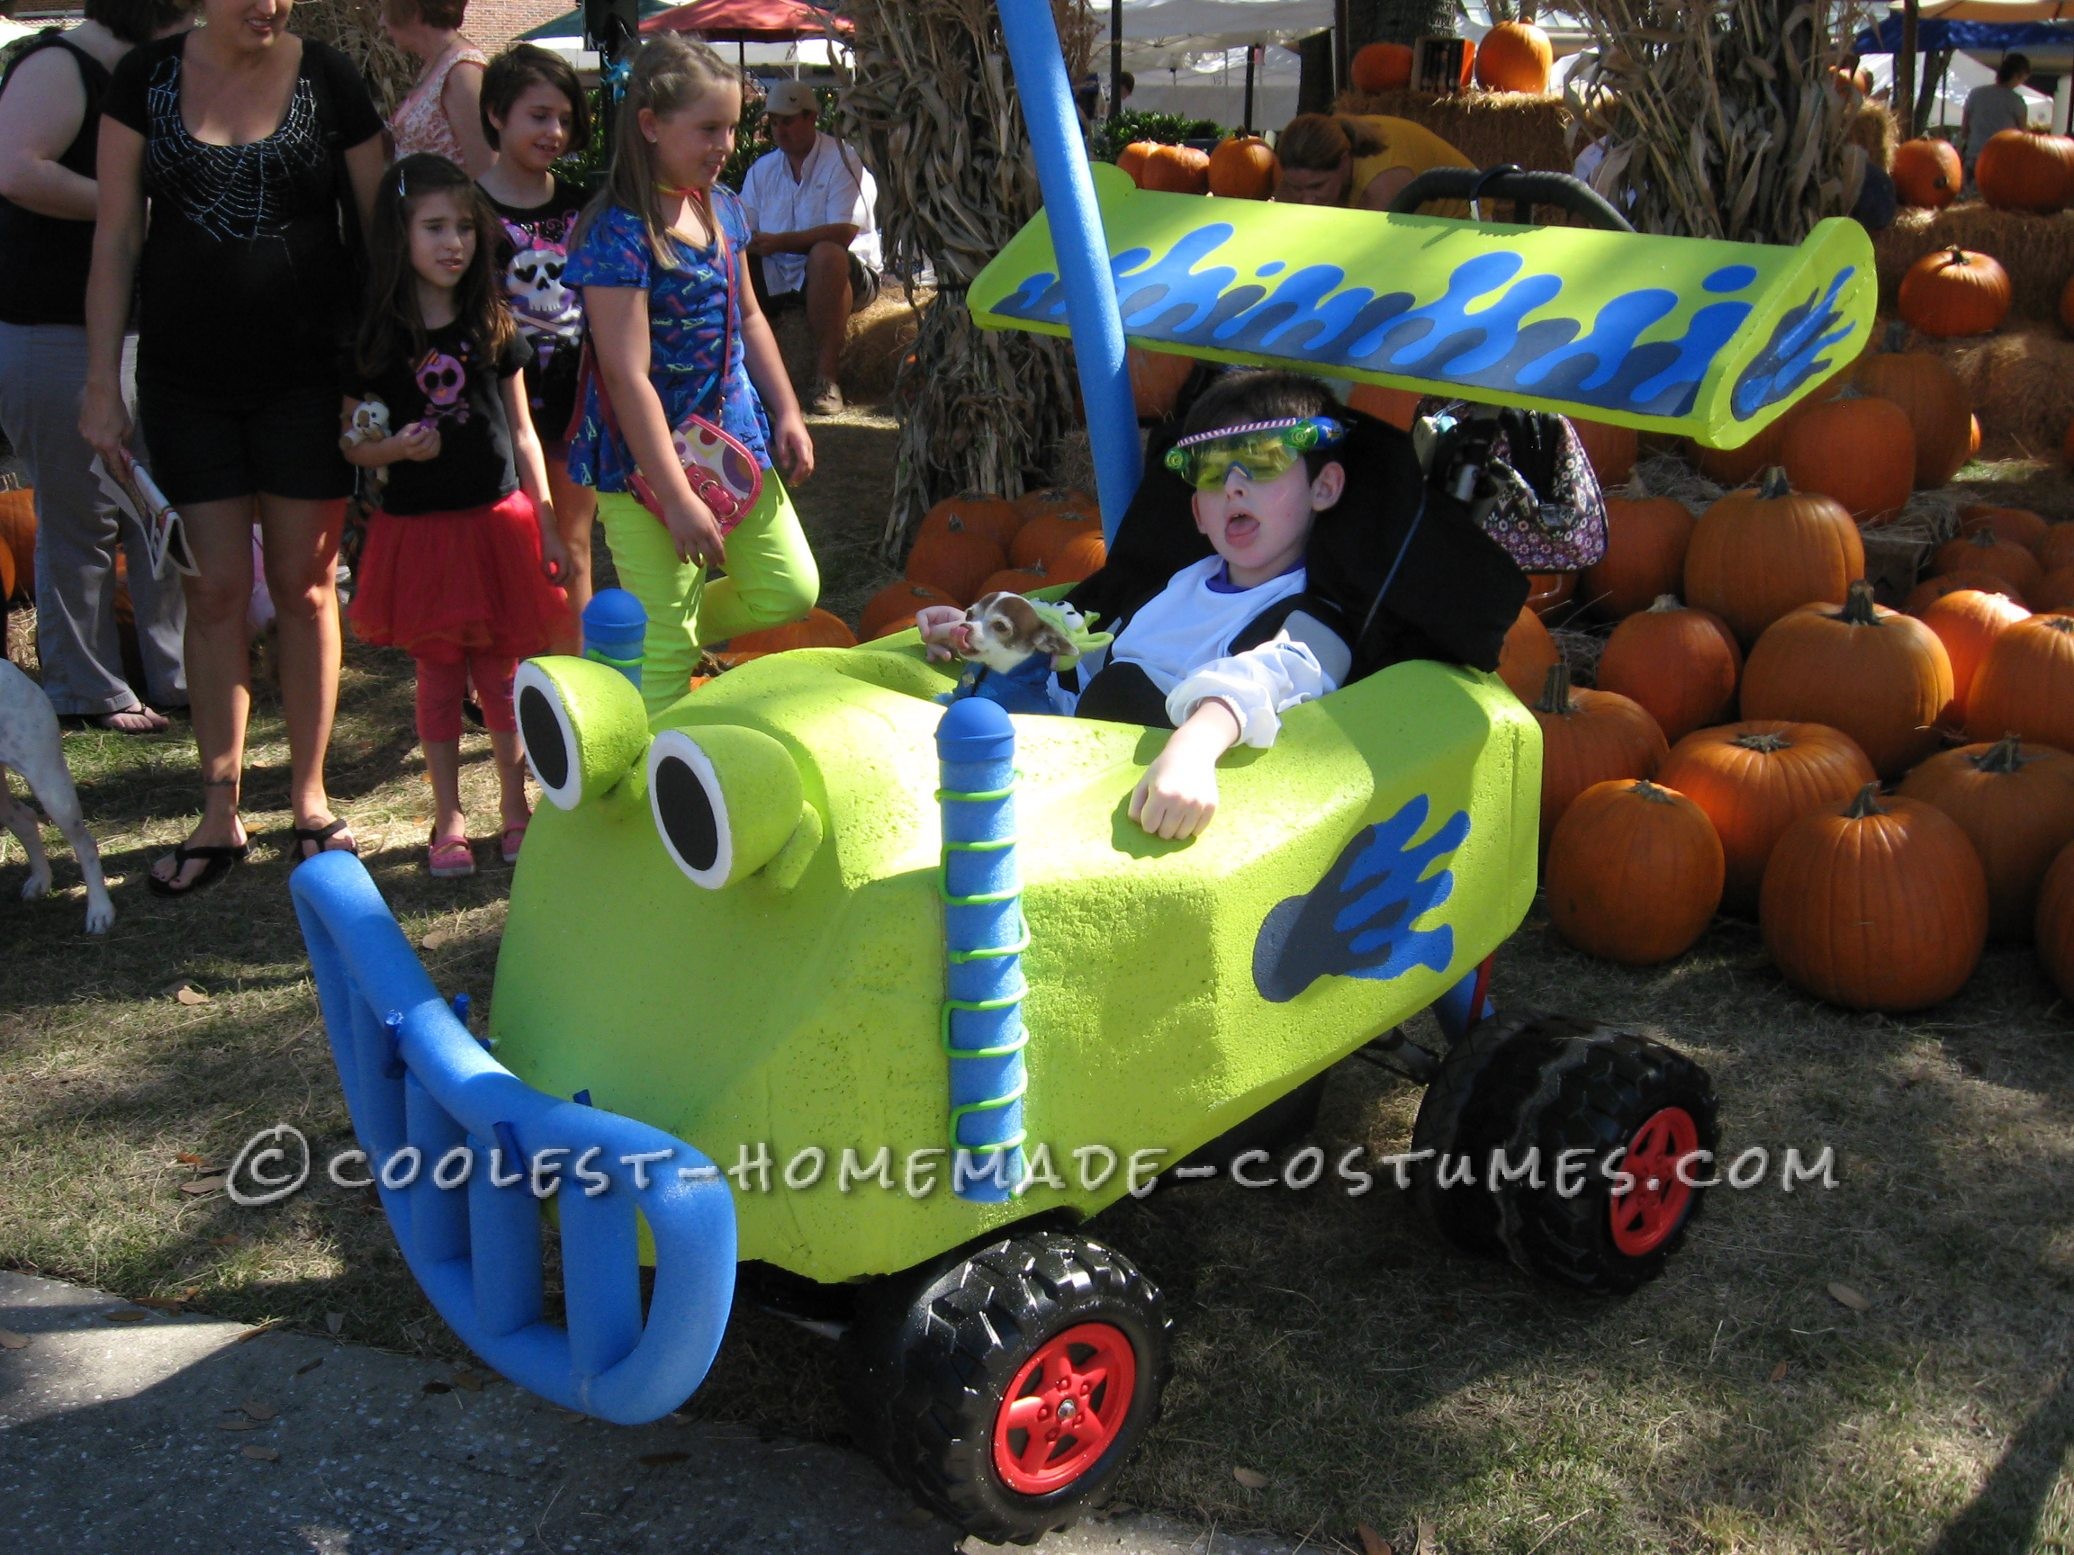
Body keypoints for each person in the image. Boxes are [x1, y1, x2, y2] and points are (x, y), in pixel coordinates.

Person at [921, 370, 1528, 840]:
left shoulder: (1312, 618)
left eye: (1263, 462)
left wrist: (1194, 748)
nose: (1234, 484)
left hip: (1144, 782)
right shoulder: (1179, 580)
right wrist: (983, 631)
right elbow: (1085, 648)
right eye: (1212, 473)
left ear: (1324, 487)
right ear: (1197, 512)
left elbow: (1261, 679)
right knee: (994, 689)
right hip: (1070, 741)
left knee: (1096, 699)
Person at [82, 0, 386, 896]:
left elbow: (378, 235)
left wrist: (376, 371)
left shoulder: (329, 76)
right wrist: (102, 379)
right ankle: (219, 810)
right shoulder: (144, 79)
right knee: (210, 593)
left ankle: (309, 800)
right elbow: (115, 236)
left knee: (304, 586)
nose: (270, 5)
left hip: (309, 379)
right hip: (185, 385)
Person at [564, 34, 819, 720]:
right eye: (708, 128)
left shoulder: (725, 209)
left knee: (789, 589)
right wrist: (676, 499)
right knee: (669, 659)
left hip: (729, 444)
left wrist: (788, 410)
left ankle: (639, 637)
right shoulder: (617, 234)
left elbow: (753, 320)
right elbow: (626, 375)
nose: (725, 144)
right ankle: (649, 789)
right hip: (642, 465)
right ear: (650, 125)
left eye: (733, 127)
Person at [343, 155, 570, 877]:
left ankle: (515, 806)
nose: (454, 243)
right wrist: (395, 450)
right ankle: (448, 817)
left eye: (465, 227)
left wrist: (546, 515)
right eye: (435, 227)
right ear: (399, 236)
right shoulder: (380, 339)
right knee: (439, 679)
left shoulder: (492, 322)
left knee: (502, 678)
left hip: (497, 524)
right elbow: (351, 438)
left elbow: (524, 430)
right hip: (421, 534)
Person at [0, 0, 191, 734]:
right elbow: (16, 170)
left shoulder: (140, 76)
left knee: (157, 510)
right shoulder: (57, 66)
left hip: (144, 331)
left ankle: (173, 672)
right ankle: (87, 690)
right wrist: (132, 206)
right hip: (51, 332)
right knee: (80, 514)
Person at [478, 42, 595, 637]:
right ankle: (508, 686)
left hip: (572, 395)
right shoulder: (465, 209)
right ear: (497, 113)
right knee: (511, 545)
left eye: (565, 119)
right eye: (538, 115)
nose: (554, 131)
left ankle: (576, 691)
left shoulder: (582, 207)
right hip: (493, 402)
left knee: (572, 544)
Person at [738, 78, 882, 416]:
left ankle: (827, 378)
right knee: (733, 258)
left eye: (787, 120)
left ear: (811, 118)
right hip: (781, 273)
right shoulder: (763, 170)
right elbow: (745, 223)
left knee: (826, 254)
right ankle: (740, 374)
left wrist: (778, 243)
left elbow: (844, 232)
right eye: (774, 122)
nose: (779, 129)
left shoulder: (843, 161)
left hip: (846, 274)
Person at [1274, 111, 1472, 213]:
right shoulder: (1299, 174)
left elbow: (1370, 252)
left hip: (1463, 220)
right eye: (1297, 188)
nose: (1307, 200)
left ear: (1343, 162)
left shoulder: (1382, 180)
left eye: (1317, 186)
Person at [383, 0, 493, 176]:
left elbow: (487, 171)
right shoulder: (434, 64)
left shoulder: (463, 71)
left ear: (414, 10)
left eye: (387, 9)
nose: (382, 21)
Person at [1962, 53, 2031, 191]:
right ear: (2018, 75)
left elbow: (1965, 128)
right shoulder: (2017, 101)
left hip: (1974, 156)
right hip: (2002, 162)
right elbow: (2023, 137)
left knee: (1970, 198)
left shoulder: (1976, 94)